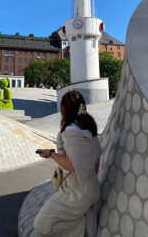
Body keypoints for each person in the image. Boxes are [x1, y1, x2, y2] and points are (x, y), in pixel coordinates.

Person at [34, 90, 101, 237]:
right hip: (93, 188)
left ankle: (83, 223)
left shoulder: (71, 131)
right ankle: (81, 218)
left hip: (75, 193)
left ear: (65, 109)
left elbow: (69, 165)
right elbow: (97, 161)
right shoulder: (89, 126)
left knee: (41, 225)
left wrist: (50, 154)